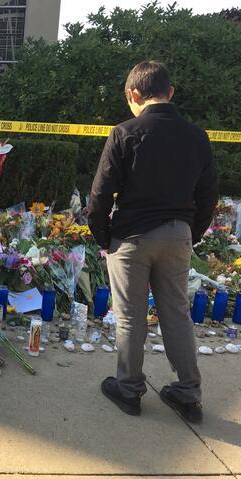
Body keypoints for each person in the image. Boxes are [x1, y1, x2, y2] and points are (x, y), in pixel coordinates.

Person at [88, 60, 218, 423]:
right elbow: (208, 196)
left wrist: (105, 238)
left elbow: (100, 196)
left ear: (134, 95)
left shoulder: (124, 133)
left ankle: (129, 390)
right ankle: (188, 394)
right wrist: (190, 233)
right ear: (170, 92)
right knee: (176, 312)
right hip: (178, 233)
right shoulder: (197, 137)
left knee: (130, 317)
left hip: (131, 236)